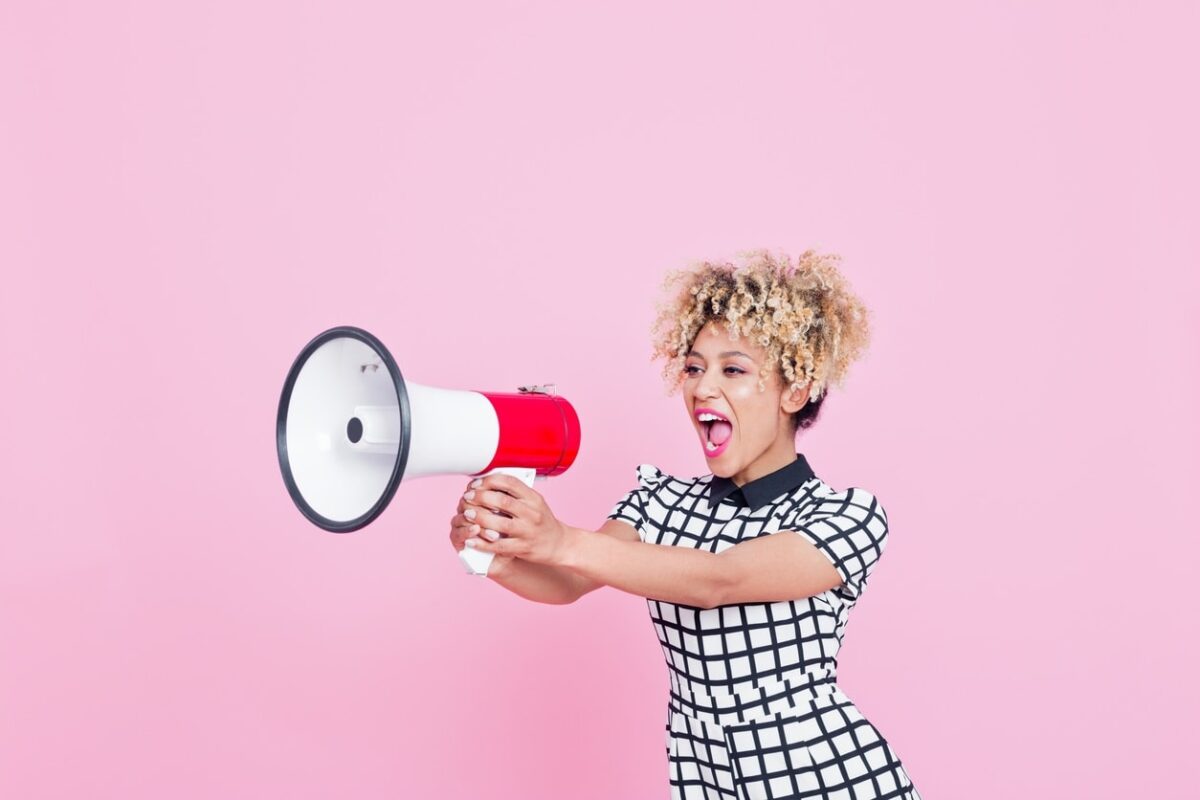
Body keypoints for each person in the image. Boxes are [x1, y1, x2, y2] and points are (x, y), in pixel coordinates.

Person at [450, 249, 922, 800]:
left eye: (734, 369)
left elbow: (720, 580)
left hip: (829, 783)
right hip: (709, 785)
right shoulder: (660, 502)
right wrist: (498, 552)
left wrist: (559, 540)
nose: (701, 387)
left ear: (795, 390)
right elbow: (568, 579)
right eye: (694, 367)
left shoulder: (845, 516)